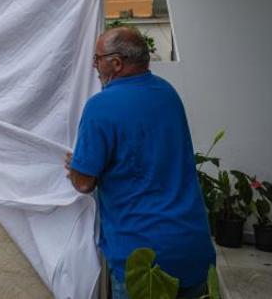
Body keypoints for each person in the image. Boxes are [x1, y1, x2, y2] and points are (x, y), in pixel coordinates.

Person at [65, 27, 215, 299]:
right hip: (192, 246)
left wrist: (75, 165)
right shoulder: (168, 94)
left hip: (142, 255)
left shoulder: (101, 106)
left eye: (97, 58)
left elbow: (84, 182)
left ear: (116, 63)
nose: (94, 66)